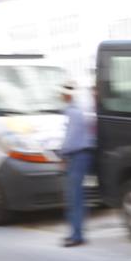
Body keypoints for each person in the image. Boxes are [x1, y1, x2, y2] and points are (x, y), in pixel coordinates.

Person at [58, 82, 96, 247]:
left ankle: (76, 235)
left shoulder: (73, 111)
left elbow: (71, 138)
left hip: (77, 155)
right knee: (76, 197)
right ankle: (76, 233)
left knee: (75, 197)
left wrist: (63, 155)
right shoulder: (78, 109)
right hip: (81, 154)